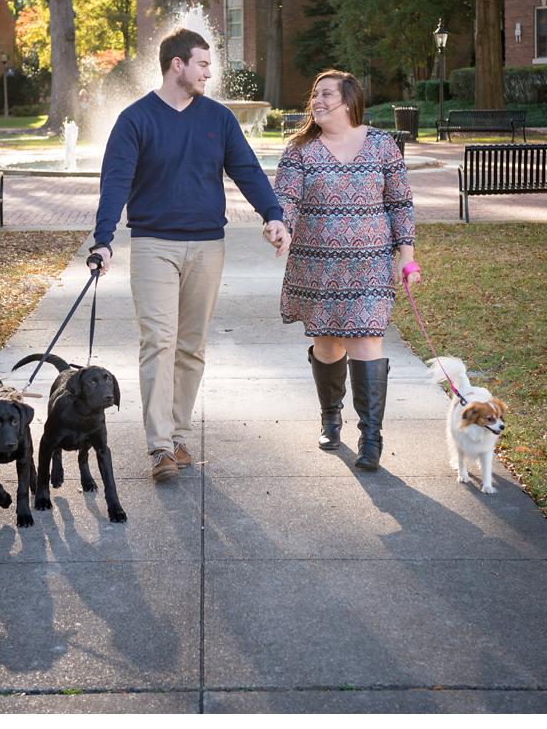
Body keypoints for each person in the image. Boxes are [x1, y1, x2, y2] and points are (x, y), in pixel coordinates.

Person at [91, 29, 290, 484]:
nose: (208, 72)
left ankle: (179, 435)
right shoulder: (135, 119)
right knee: (158, 342)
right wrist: (103, 240)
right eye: (202, 63)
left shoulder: (218, 119)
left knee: (191, 346)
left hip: (207, 245)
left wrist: (273, 214)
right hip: (152, 245)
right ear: (176, 64)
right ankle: (160, 446)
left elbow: (246, 170)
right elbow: (115, 183)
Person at [274, 70, 419, 471]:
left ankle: (371, 437)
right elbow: (285, 197)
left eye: (326, 95)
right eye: (314, 95)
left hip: (371, 266)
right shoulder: (300, 149)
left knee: (368, 341)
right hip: (315, 267)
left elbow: (400, 203)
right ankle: (330, 416)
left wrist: (406, 255)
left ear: (348, 101)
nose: (316, 101)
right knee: (328, 345)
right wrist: (280, 226)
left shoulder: (382, 145)